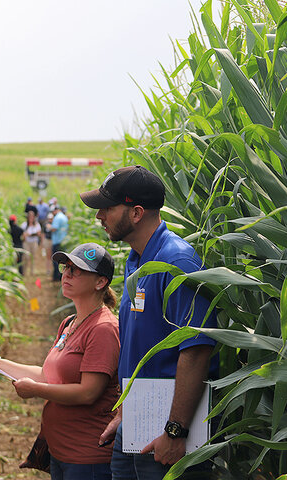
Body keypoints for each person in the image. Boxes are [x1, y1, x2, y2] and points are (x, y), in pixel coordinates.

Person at [80, 165, 218, 480]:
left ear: (137, 213)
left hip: (168, 434)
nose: (99, 216)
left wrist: (175, 430)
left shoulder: (176, 261)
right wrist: (125, 412)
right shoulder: (135, 260)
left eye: (107, 208)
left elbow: (196, 349)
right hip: (137, 424)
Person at [0, 243, 120, 480]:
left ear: (100, 282)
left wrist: (35, 390)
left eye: (77, 270)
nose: (66, 274)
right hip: (61, 450)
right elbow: (47, 374)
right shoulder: (71, 322)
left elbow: (88, 392)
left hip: (87, 457)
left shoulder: (103, 328)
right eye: (66, 267)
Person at [49, 205, 69, 281]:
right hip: (63, 240)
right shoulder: (64, 217)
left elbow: (54, 228)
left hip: (57, 240)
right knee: (62, 260)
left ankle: (56, 276)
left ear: (55, 210)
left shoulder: (57, 217)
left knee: (56, 260)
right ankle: (61, 275)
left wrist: (49, 227)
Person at [21, 210, 42, 275]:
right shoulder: (24, 225)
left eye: (32, 216)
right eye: (29, 217)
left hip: (34, 242)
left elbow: (39, 233)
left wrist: (29, 234)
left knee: (33, 257)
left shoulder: (36, 224)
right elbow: (23, 234)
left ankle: (32, 271)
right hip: (26, 242)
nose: (31, 218)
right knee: (26, 257)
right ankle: (25, 271)